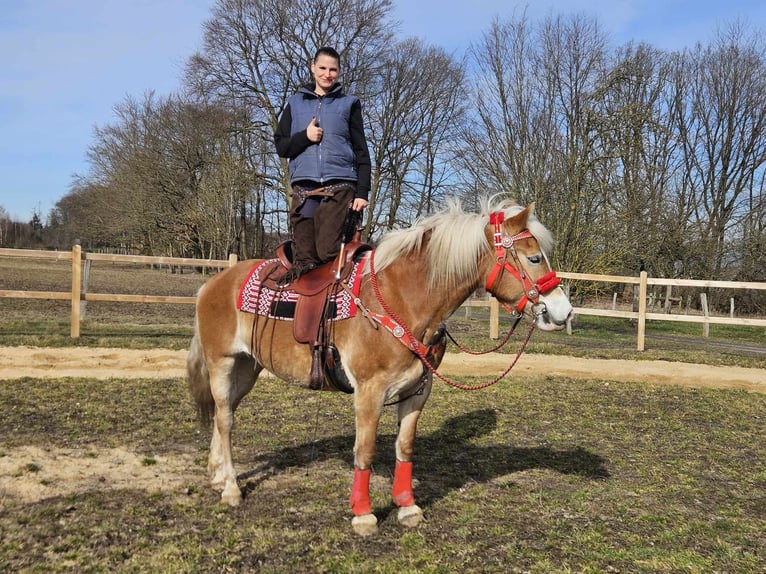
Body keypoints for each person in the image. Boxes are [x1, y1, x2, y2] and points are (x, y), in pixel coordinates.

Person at [274, 46, 371, 285]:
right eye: (323, 68)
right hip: (304, 190)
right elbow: (281, 146)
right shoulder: (295, 103)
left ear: (339, 72)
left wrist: (362, 192)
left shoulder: (349, 104)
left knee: (328, 250)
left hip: (338, 186)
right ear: (312, 67)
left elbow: (361, 151)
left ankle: (348, 304)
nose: (327, 74)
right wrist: (305, 137)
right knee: (305, 256)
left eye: (333, 70)